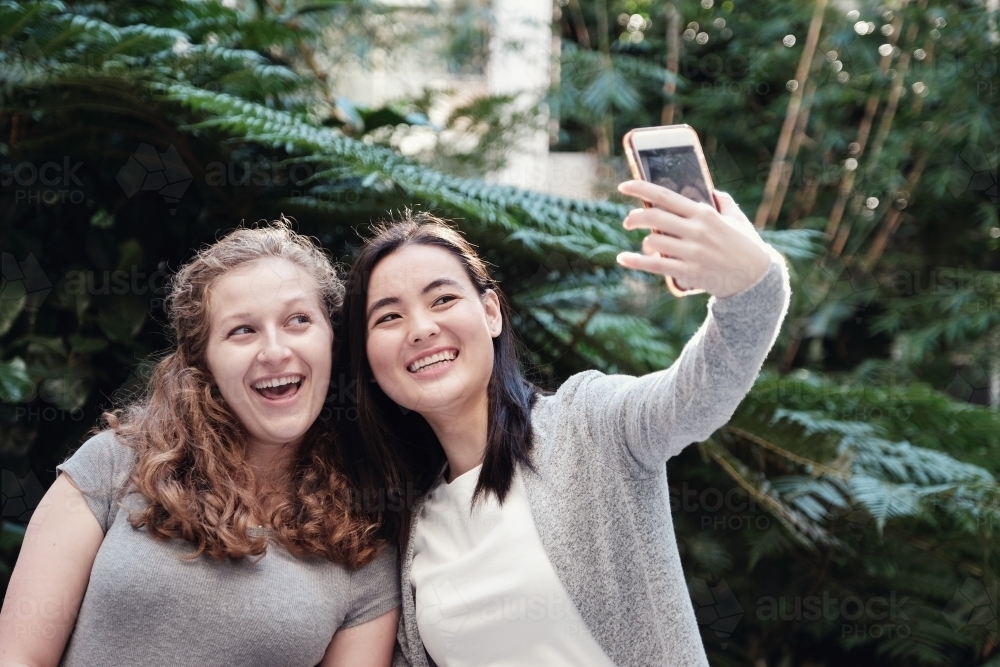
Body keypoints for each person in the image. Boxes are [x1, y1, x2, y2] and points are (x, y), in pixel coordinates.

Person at [335, 180, 791, 667]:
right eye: (388, 317)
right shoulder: (409, 526)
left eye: (442, 299)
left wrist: (751, 284)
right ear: (367, 359)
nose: (422, 328)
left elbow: (695, 397)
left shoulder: (589, 425)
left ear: (490, 312)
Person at [0, 221, 400, 667]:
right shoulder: (113, 463)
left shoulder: (364, 543)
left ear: (333, 339)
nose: (274, 350)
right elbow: (20, 657)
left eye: (298, 320)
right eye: (242, 330)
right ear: (203, 359)